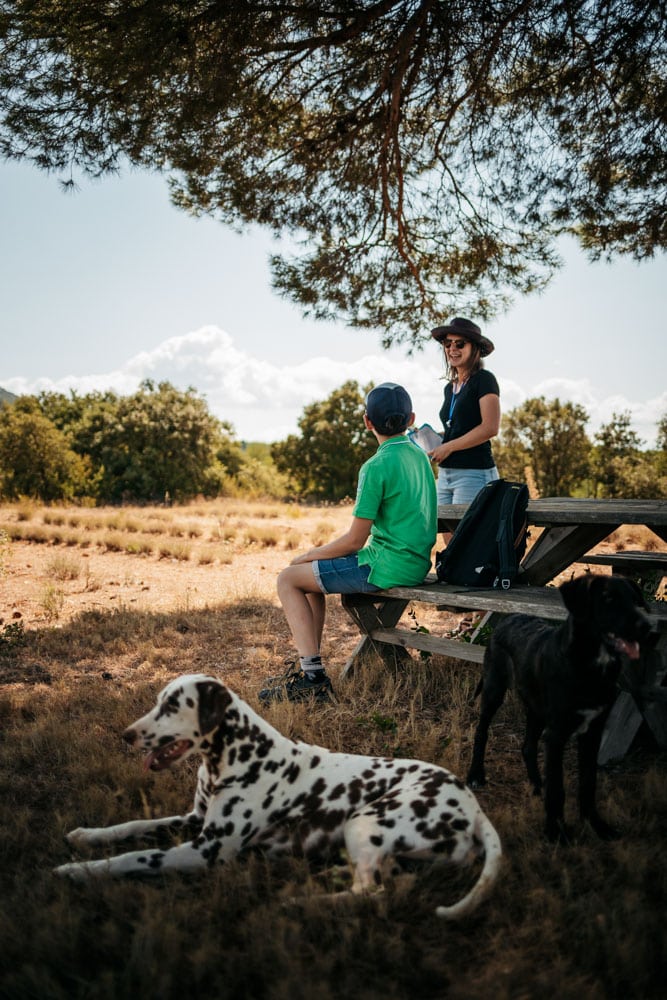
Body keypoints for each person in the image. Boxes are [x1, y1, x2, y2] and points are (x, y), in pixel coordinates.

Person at [259, 382, 437, 704]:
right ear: (411, 419)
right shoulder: (420, 457)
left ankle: (313, 679)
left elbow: (355, 541)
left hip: (385, 565)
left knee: (288, 578)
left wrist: (308, 555)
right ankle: (310, 673)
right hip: (416, 562)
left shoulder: (375, 466)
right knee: (308, 581)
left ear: (367, 422)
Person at [428, 317, 500, 507]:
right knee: (447, 537)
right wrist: (433, 439)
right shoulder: (449, 388)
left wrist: (448, 447)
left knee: (467, 537)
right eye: (447, 343)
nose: (452, 349)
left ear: (474, 348)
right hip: (445, 475)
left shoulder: (484, 380)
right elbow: (457, 429)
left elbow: (490, 428)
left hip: (474, 474)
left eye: (460, 344)